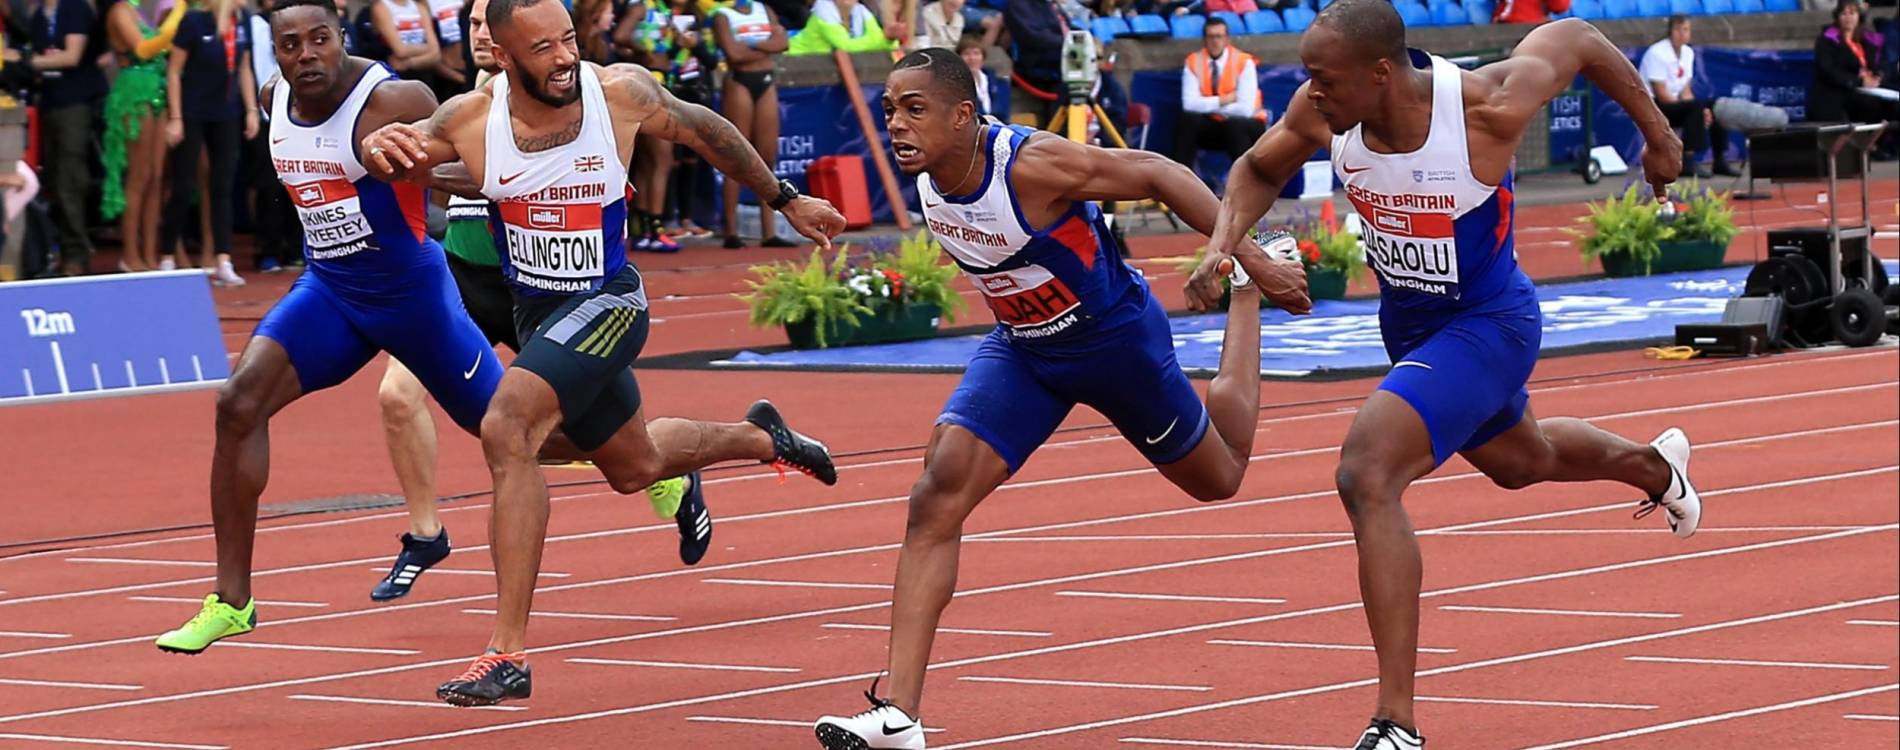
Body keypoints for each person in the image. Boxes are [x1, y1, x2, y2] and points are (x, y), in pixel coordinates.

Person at [1192, 3, 1703, 747]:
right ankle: (1656, 468)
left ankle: (1395, 723)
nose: (1310, 92)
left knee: (1366, 471)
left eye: (1324, 78)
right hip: (1411, 326)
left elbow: (1581, 38)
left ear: (1379, 74)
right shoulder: (1322, 112)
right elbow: (1253, 169)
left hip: (1491, 323)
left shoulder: (1484, 106)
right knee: (1521, 462)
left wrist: (1658, 136)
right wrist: (1226, 247)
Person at [810, 47, 1312, 750]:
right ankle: (898, 712)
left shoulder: (1032, 164)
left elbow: (1160, 173)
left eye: (914, 110)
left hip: (1114, 345)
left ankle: (1246, 302)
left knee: (1220, 477)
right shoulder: (927, 175)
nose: (896, 124)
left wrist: (1249, 259)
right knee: (936, 493)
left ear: (963, 115)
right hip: (1025, 351)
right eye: (890, 109)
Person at [358, 0, 848, 704]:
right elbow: (400, 155)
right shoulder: (470, 118)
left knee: (507, 425)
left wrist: (785, 197)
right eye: (543, 47)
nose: (563, 57)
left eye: (567, 39)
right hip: (541, 316)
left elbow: (704, 128)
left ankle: (508, 653)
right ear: (501, 51)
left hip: (610, 303)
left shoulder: (617, 91)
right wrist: (380, 152)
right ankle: (758, 437)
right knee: (634, 464)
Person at [150, 0, 509, 655]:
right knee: (238, 403)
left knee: (526, 434)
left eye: (320, 39)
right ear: (277, 54)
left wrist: (411, 168)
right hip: (333, 293)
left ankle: (656, 461)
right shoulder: (271, 98)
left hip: (412, 297)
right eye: (292, 45)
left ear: (342, 36)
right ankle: (232, 602)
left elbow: (474, 174)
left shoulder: (396, 98)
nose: (307, 54)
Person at [366, 0, 717, 603]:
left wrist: (481, 175)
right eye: (470, 24)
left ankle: (667, 475)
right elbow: (411, 165)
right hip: (466, 276)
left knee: (546, 434)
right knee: (403, 395)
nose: (477, 33)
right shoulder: (454, 107)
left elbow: (531, 174)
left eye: (486, 24)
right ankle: (426, 532)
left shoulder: (552, 97)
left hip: (545, 291)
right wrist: (396, 159)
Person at [163, 0, 255, 286]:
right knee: (183, 184)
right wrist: (176, 117)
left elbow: (243, 68)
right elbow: (174, 71)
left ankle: (223, 259)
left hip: (226, 112)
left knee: (222, 187)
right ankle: (166, 255)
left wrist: (251, 110)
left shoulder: (242, 22)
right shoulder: (194, 22)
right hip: (192, 112)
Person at [101, 0, 187, 273]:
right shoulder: (119, 11)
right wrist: (179, 15)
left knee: (156, 177)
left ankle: (150, 253)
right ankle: (130, 254)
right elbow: (143, 48)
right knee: (138, 177)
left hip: (158, 89)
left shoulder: (144, 11)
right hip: (135, 92)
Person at [27, 0, 109, 277]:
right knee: (52, 179)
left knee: (70, 178)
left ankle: (76, 254)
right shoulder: (38, 14)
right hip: (50, 101)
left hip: (75, 101)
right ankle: (59, 248)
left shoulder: (75, 7)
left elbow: (72, 56)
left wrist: (24, 62)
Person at [711, 0, 791, 248]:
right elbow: (733, 54)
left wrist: (752, 44)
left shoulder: (764, 9)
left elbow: (784, 43)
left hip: (765, 80)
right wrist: (767, 46)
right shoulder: (722, 16)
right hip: (739, 82)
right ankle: (731, 231)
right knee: (736, 155)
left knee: (767, 156)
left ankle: (769, 232)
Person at [1639, 15, 1736, 177]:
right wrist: (1696, 110)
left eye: (1685, 29)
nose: (1682, 34)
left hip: (1676, 102)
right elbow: (1662, 95)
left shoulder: (1688, 53)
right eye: (1677, 29)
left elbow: (1686, 91)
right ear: (1670, 32)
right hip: (1654, 106)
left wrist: (1703, 111)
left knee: (1715, 107)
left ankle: (1720, 160)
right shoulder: (1657, 53)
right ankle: (1687, 162)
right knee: (1695, 109)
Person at [1174, 17, 1267, 172]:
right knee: (1187, 121)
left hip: (1248, 124)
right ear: (1204, 39)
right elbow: (1189, 105)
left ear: (1227, 39)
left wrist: (1206, 105)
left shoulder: (1244, 62)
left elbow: (1245, 109)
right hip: (1214, 124)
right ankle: (1180, 181)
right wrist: (1223, 100)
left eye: (1219, 36)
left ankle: (1246, 183)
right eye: (1211, 37)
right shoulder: (1193, 61)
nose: (1215, 41)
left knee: (1234, 126)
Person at [1810, 0, 1899, 126]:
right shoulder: (1826, 40)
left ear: (1859, 16)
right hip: (1838, 93)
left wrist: (1878, 75)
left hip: (1866, 91)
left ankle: (1883, 142)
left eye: (1852, 13)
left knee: (1893, 106)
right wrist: (1860, 81)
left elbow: (1880, 63)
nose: (1848, 18)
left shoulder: (1867, 40)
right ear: (1837, 17)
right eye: (1844, 14)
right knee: (1871, 105)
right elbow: (1828, 71)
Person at [369, 0, 442, 89]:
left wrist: (409, 63)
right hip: (398, 78)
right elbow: (400, 50)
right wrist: (428, 48)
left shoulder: (420, 8)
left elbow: (436, 54)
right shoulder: (381, 7)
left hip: (424, 76)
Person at [786, 0, 897, 55]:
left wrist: (890, 40)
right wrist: (885, 39)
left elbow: (886, 43)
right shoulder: (823, 11)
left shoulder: (861, 11)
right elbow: (845, 47)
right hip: (792, 58)